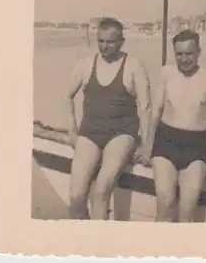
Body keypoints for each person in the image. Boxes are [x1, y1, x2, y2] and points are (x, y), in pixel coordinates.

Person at [65, 17, 151, 220]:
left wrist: (147, 145)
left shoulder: (134, 66)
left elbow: (146, 108)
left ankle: (99, 244)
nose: (105, 46)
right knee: (76, 196)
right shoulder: (86, 65)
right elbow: (67, 95)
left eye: (110, 42)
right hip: (90, 132)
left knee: (101, 190)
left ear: (121, 41)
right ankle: (82, 243)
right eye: (101, 41)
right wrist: (72, 131)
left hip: (121, 134)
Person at [142, 29, 206, 222]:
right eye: (179, 54)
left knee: (188, 208)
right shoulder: (166, 73)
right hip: (165, 143)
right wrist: (148, 146)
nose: (184, 59)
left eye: (189, 53)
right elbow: (155, 112)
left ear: (199, 51)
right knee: (165, 202)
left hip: (196, 147)